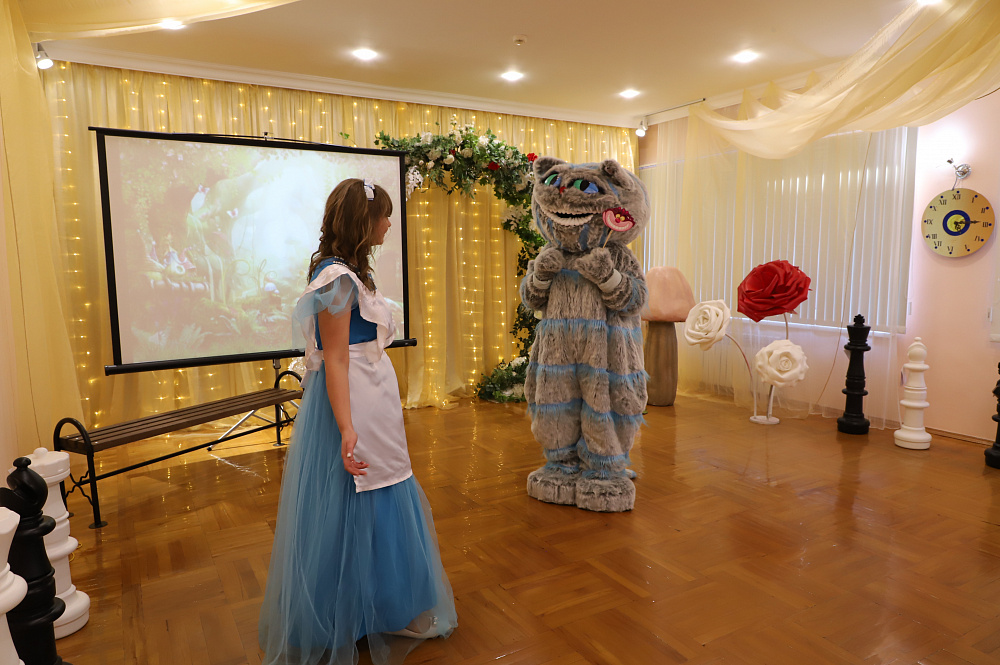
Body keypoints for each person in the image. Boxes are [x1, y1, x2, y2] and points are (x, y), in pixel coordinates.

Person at [259, 178, 457, 665]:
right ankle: (358, 612)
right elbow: (336, 358)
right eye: (383, 215)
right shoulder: (336, 279)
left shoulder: (348, 273)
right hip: (355, 403)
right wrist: (347, 427)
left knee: (373, 495)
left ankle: (375, 608)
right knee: (360, 496)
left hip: (372, 397)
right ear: (362, 222)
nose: (389, 223)